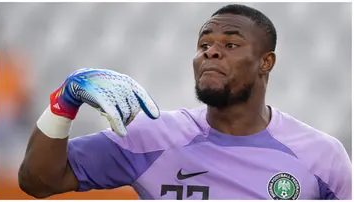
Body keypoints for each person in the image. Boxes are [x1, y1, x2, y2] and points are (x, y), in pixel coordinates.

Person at [18, 4, 351, 200]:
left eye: (231, 45)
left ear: (266, 63)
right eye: (204, 43)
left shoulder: (321, 156)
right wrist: (64, 103)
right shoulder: (150, 135)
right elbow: (38, 181)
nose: (211, 51)